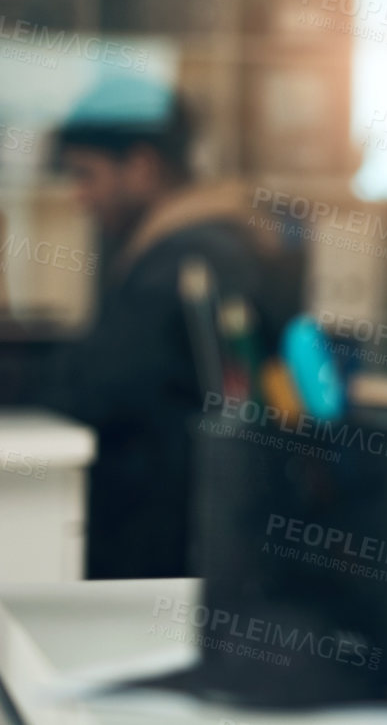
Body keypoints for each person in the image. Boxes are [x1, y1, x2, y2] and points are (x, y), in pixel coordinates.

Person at [39, 77, 299, 578]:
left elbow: (97, 390)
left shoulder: (184, 260)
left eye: (85, 175)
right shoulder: (208, 242)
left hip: (165, 554)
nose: (79, 197)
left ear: (141, 167)